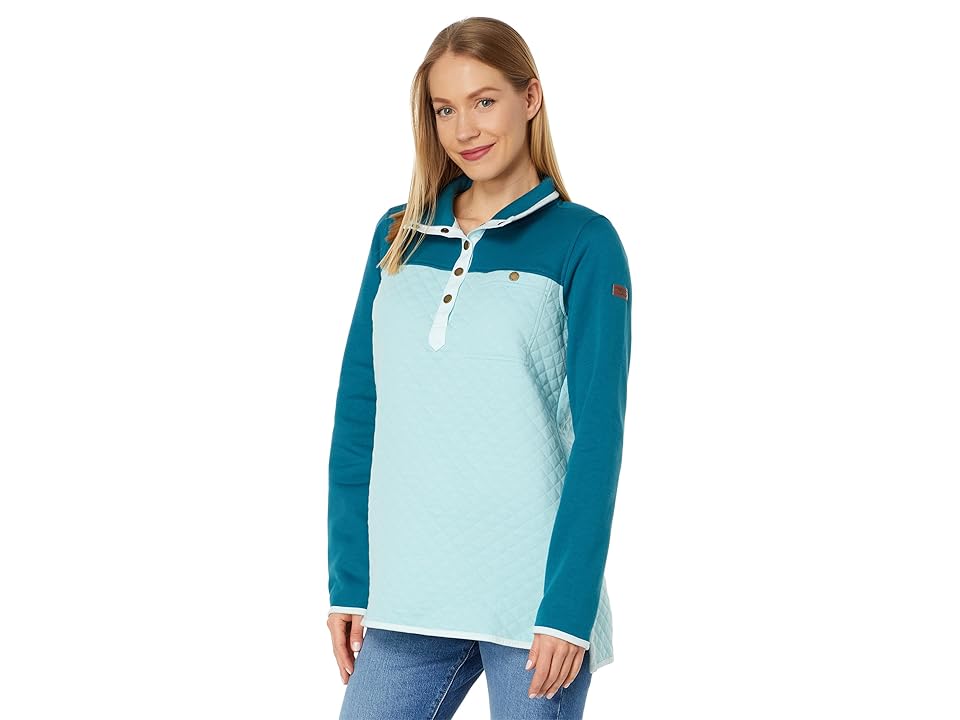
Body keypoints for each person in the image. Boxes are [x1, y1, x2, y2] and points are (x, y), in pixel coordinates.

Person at [326, 16, 632, 719]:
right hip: (408, 594)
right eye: (445, 109)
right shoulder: (397, 235)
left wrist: (569, 609)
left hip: (533, 604)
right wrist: (350, 579)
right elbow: (359, 412)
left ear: (530, 98)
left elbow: (599, 438)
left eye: (484, 100)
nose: (464, 129)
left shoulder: (585, 242)